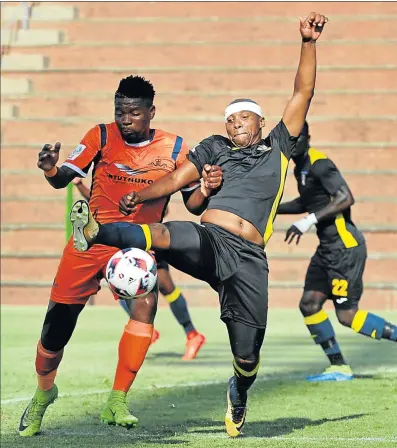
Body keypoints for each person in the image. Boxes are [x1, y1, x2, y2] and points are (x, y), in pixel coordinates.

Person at [69, 13, 329, 437]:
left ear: (261, 123)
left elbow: (304, 90)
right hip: (211, 239)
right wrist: (144, 194)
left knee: (247, 354)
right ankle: (97, 231)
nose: (235, 123)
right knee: (167, 234)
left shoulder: (279, 146)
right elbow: (175, 181)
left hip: (249, 259)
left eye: (243, 117)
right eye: (230, 119)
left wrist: (308, 42)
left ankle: (240, 389)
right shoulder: (214, 147)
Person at [18, 75, 222, 437]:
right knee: (54, 334)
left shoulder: (175, 149)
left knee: (147, 309)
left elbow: (192, 204)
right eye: (120, 112)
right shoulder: (100, 135)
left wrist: (205, 189)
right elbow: (62, 177)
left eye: (134, 113)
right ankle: (44, 393)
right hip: (89, 240)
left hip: (136, 247)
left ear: (150, 112)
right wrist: (50, 167)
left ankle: (117, 399)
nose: (125, 119)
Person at [277, 121, 397, 381]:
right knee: (309, 304)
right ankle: (339, 366)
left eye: (296, 139)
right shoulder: (300, 168)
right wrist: (274, 208)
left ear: (308, 138)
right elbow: (308, 201)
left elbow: (345, 197)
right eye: (288, 140)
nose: (292, 144)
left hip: (345, 249)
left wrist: (308, 221)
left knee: (347, 315)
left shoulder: (321, 164)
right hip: (327, 250)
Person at [73, 177, 206, 360]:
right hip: (127, 244)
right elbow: (97, 202)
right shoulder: (118, 182)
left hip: (147, 237)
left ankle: (192, 335)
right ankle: (154, 332)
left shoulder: (147, 178)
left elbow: (163, 208)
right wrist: (80, 185)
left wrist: (144, 200)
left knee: (167, 287)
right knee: (121, 285)